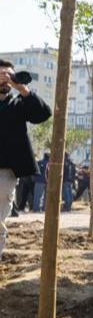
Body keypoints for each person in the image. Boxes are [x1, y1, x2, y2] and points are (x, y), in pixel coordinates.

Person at [0, 60, 52, 258]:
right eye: (1, 74)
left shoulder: (18, 103)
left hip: (4, 173)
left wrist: (22, 88)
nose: (6, 78)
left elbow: (42, 114)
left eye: (9, 74)